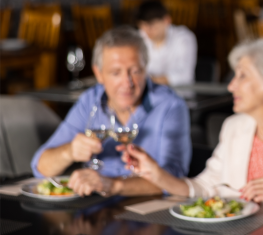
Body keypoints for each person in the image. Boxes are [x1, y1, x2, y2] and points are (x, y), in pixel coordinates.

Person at [121, 39, 263, 234]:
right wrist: (156, 173)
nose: (231, 86)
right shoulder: (234, 127)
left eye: (241, 76)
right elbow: (205, 187)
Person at [31, 27, 191, 196]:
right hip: (94, 205)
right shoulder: (90, 100)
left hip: (149, 208)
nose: (127, 83)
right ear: (98, 74)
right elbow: (40, 167)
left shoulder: (171, 106)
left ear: (145, 69)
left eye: (135, 71)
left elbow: (175, 179)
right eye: (116, 73)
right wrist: (69, 151)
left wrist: (113, 185)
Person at [137, 0, 197, 86]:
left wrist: (150, 80)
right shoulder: (140, 36)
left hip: (179, 95)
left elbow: (185, 76)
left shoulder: (183, 38)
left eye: (151, 25)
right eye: (142, 25)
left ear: (167, 20)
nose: (146, 30)